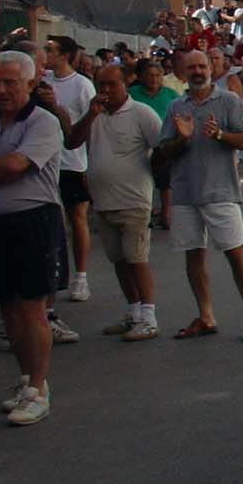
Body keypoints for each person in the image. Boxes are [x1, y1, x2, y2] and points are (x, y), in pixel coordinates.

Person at [0, 51, 68, 425]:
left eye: (10, 82)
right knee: (7, 307)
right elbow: (0, 170)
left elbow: (16, 165)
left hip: (32, 223)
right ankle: (26, 379)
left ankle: (39, 388)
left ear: (30, 84)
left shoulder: (42, 123)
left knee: (31, 308)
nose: (1, 89)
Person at [152, 49, 243, 343]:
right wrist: (182, 138)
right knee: (194, 256)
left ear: (212, 68)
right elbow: (164, 151)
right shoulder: (176, 106)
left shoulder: (227, 100)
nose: (198, 71)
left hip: (221, 190)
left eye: (203, 65)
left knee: (236, 254)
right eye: (192, 67)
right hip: (185, 192)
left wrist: (218, 135)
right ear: (183, 72)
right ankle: (205, 316)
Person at [66, 63, 161, 341]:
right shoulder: (95, 115)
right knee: (119, 260)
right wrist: (90, 115)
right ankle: (133, 312)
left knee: (137, 259)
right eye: (101, 85)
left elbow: (163, 147)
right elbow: (72, 142)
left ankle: (149, 316)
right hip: (103, 202)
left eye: (111, 84)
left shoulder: (141, 113)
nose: (105, 90)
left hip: (134, 200)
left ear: (125, 84)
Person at [44, 35, 96, 303]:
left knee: (77, 219)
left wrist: (90, 165)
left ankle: (81, 277)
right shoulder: (43, 81)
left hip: (73, 162)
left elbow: (92, 123)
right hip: (44, 163)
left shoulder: (82, 85)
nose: (46, 53)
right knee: (51, 221)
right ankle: (52, 275)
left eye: (50, 50)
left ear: (64, 55)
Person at [130, 57, 178, 230]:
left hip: (163, 141)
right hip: (138, 143)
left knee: (165, 180)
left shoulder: (170, 95)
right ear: (142, 77)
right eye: (149, 75)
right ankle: (146, 213)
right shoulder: (132, 93)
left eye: (158, 75)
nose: (154, 79)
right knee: (143, 180)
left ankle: (166, 214)